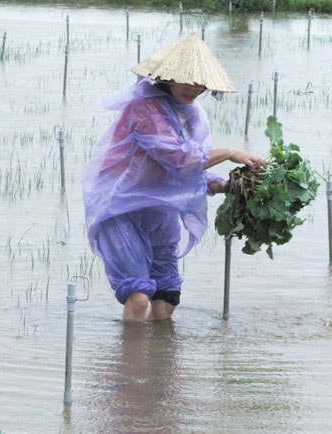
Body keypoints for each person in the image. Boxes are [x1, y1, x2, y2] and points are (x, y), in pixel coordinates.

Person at [82, 33, 267, 322]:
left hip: (159, 210)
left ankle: (160, 363)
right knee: (139, 295)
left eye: (200, 83)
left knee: (167, 297)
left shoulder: (194, 116)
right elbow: (179, 159)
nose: (194, 88)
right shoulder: (142, 108)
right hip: (120, 207)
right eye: (186, 79)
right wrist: (231, 152)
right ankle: (132, 363)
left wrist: (228, 186)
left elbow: (196, 169)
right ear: (167, 77)